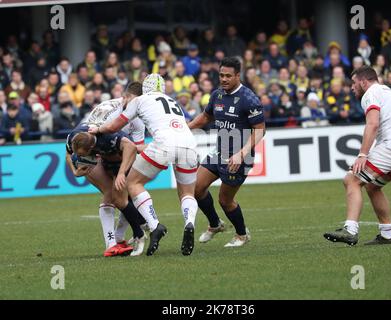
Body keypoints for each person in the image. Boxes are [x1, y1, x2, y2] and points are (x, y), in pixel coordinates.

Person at [90, 74, 199, 256]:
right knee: (187, 193)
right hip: (189, 144)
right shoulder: (173, 102)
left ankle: (155, 225)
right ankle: (190, 222)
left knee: (132, 183)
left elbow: (113, 127)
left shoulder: (139, 100)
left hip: (164, 143)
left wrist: (98, 129)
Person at [324, 66, 391, 245]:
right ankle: (387, 234)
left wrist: (362, 154)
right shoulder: (386, 91)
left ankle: (350, 230)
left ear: (363, 81)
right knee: (372, 186)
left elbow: (372, 124)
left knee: (351, 179)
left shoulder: (371, 93)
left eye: (353, 83)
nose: (351, 87)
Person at [188, 57, 265, 247]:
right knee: (196, 188)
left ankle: (242, 235)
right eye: (221, 75)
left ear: (238, 76)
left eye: (228, 76)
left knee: (225, 200)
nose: (223, 79)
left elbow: (260, 129)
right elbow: (205, 117)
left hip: (240, 156)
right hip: (219, 152)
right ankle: (215, 224)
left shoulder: (249, 99)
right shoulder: (217, 95)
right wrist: (184, 128)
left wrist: (241, 152)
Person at [66, 82, 147, 257]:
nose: (135, 105)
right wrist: (74, 170)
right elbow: (72, 146)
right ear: (124, 97)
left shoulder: (138, 119)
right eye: (132, 101)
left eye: (138, 103)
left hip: (112, 153)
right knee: (112, 192)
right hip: (93, 153)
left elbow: (135, 149)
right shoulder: (109, 111)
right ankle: (112, 243)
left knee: (124, 194)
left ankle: (119, 238)